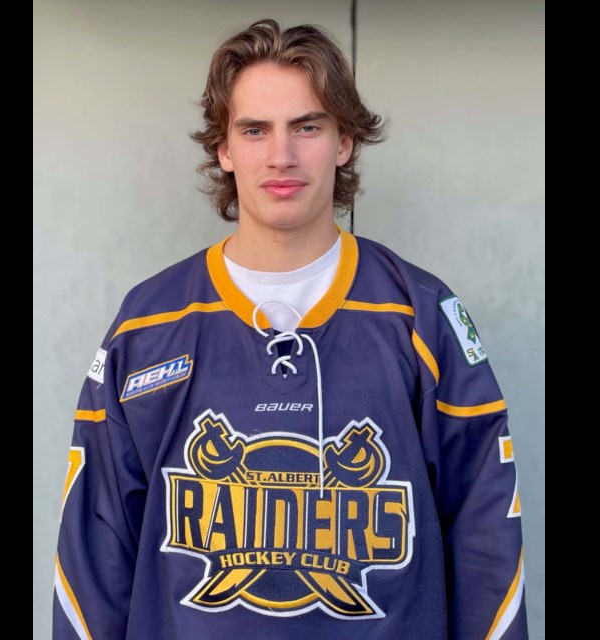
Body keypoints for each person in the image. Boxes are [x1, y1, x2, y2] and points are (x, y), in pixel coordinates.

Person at [53, 19, 527, 640]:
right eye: (254, 130)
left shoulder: (420, 315)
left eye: (307, 126)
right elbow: (94, 557)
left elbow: (486, 539)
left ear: (344, 142)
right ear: (223, 147)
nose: (282, 155)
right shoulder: (147, 326)